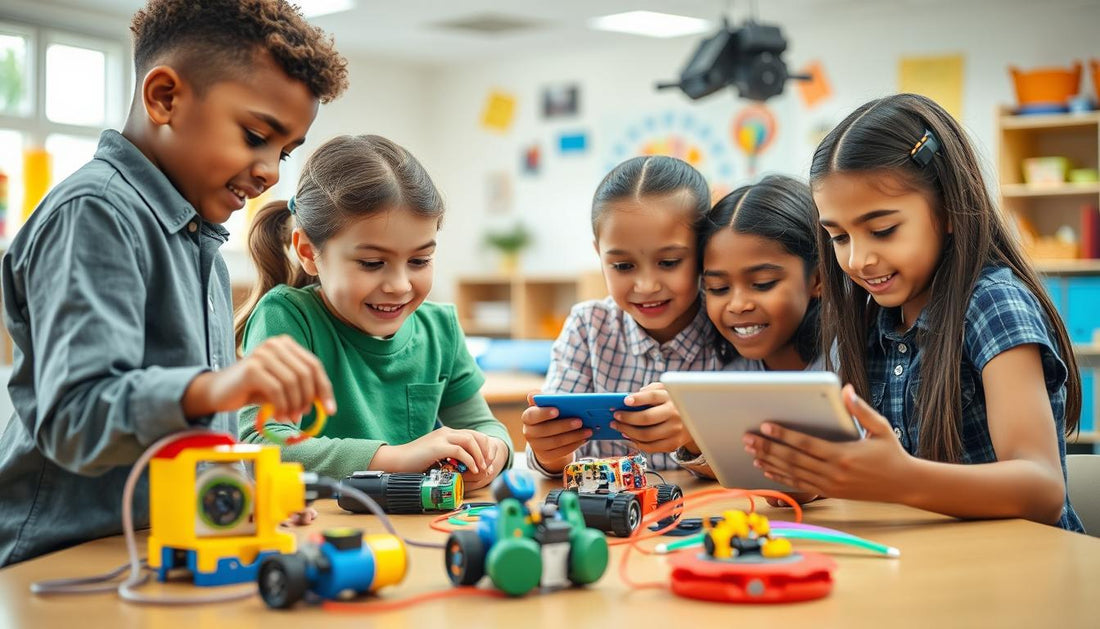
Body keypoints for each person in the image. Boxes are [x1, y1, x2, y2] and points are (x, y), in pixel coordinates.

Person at [0, 0, 348, 566]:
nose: (270, 173)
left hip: (151, 549)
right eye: (256, 135)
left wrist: (236, 493)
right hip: (60, 553)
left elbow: (191, 436)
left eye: (284, 152)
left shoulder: (198, 238)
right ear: (165, 98)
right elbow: (74, 418)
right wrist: (214, 388)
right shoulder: (95, 213)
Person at [744, 93, 1084, 531]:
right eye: (839, 237)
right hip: (933, 566)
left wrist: (899, 478)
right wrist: (813, 472)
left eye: (882, 231)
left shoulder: (993, 303)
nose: (858, 260)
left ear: (948, 210)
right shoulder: (870, 317)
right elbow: (870, 468)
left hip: (1024, 570)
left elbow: (1041, 490)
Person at [236, 135, 512, 490]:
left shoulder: (440, 327)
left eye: (419, 260)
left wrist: (491, 454)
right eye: (371, 263)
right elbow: (260, 445)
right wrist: (394, 459)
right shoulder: (287, 316)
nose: (399, 285)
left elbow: (485, 426)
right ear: (308, 252)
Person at [523, 155, 722, 477]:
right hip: (610, 518)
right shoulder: (589, 326)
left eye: (669, 262)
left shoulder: (729, 325)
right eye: (623, 266)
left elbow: (751, 461)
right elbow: (551, 462)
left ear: (704, 252)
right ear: (599, 254)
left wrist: (693, 437)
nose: (646, 286)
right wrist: (550, 452)